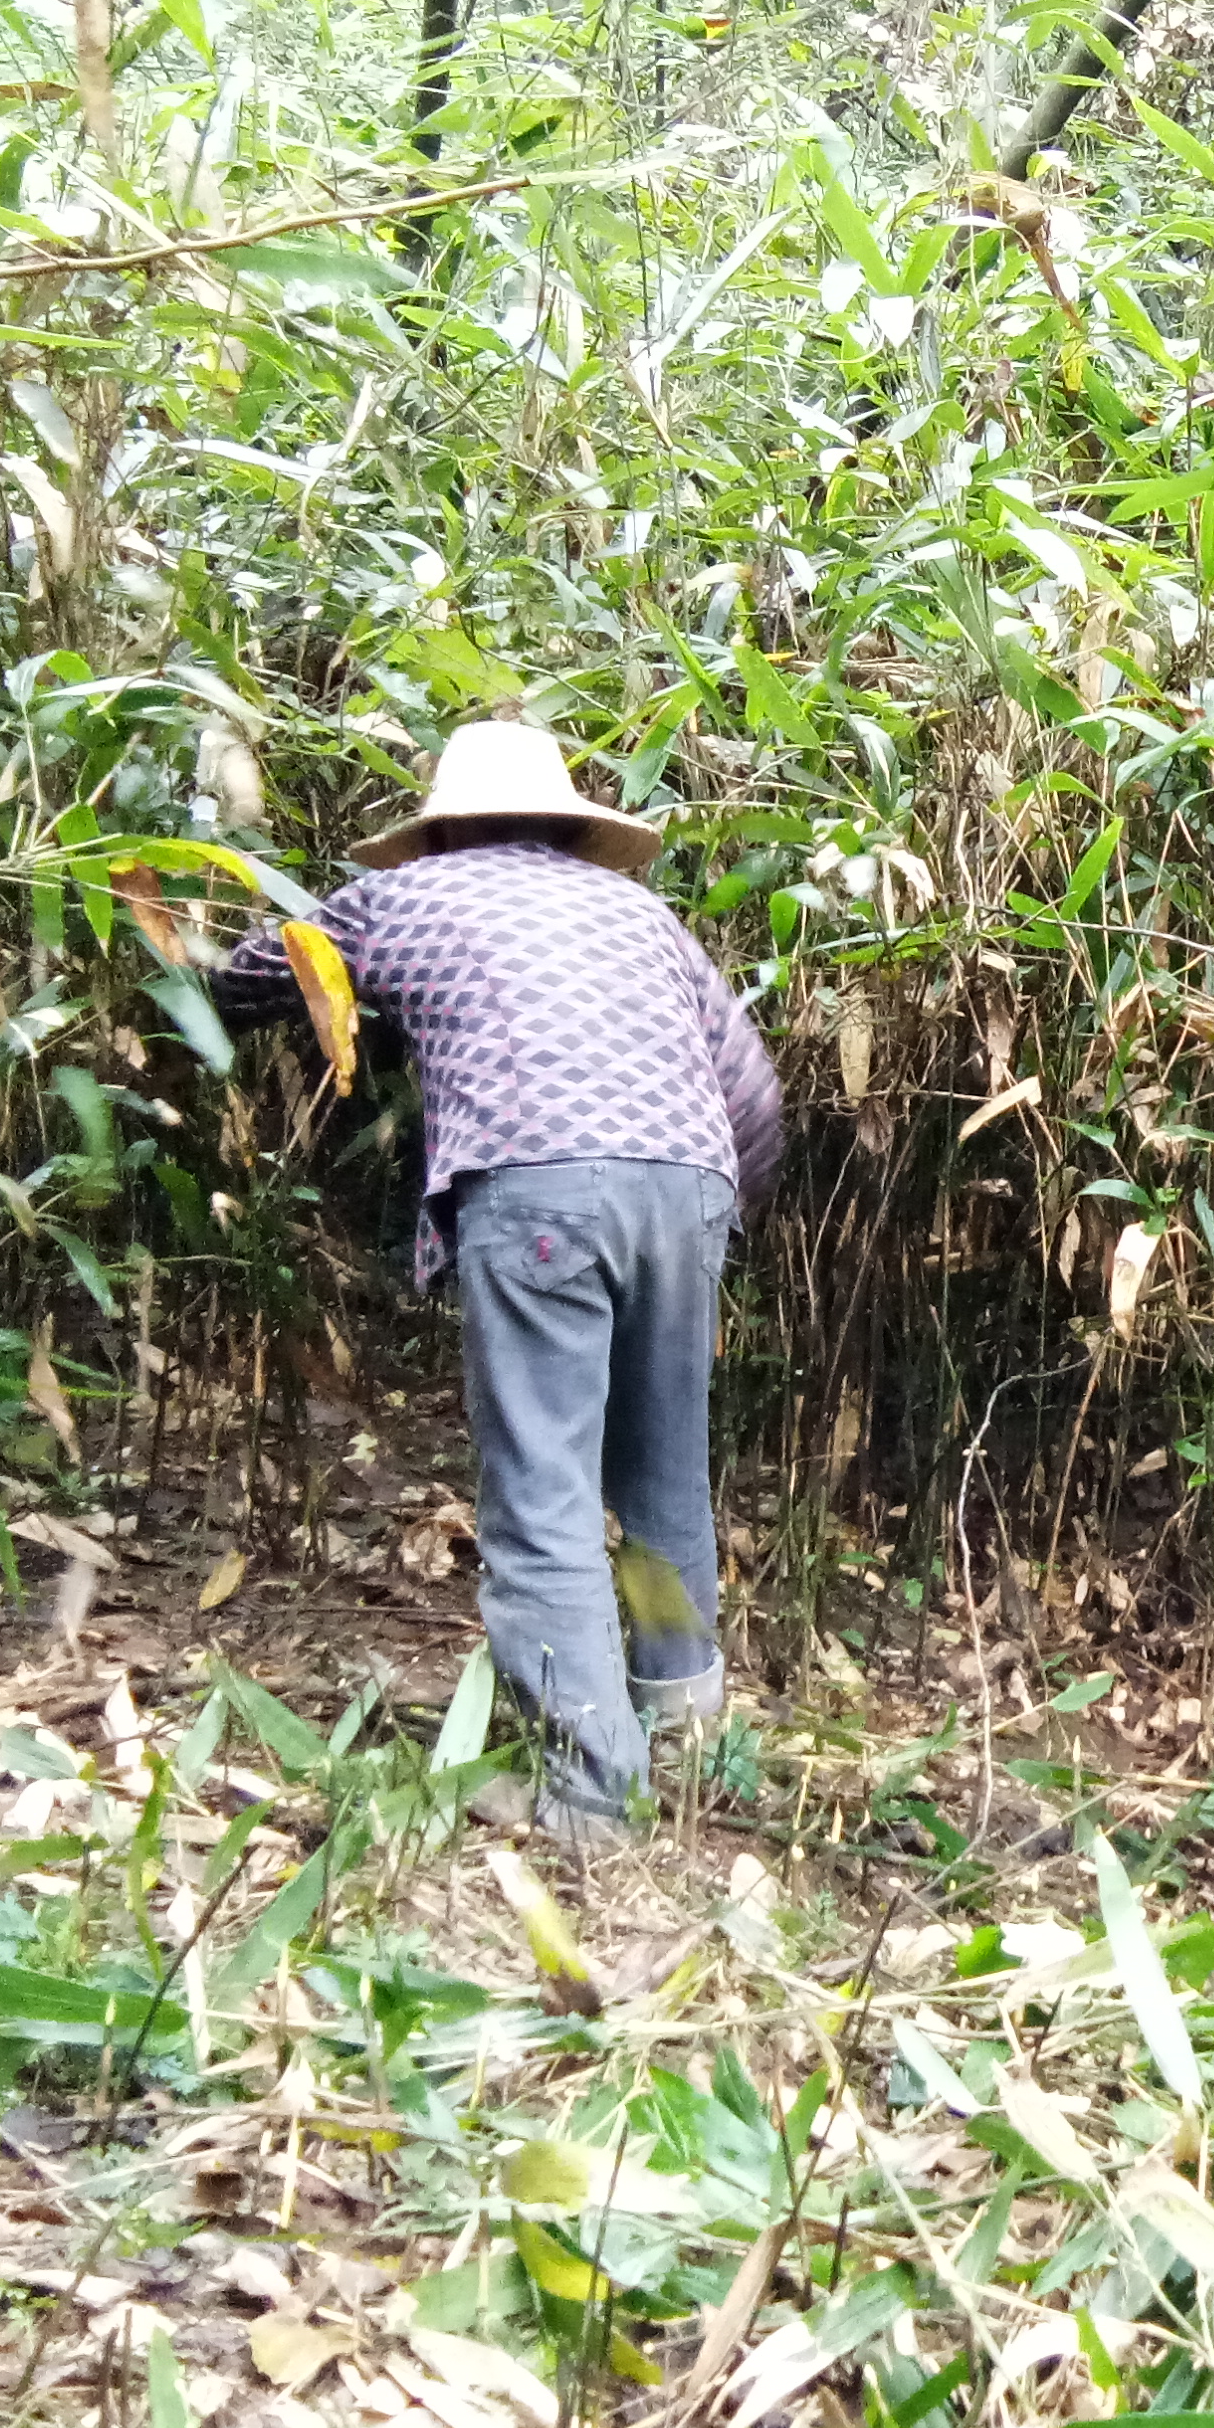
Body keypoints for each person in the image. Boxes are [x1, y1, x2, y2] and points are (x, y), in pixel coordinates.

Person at [216, 716, 782, 1843]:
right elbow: (753, 1095)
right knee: (664, 1476)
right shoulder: (642, 913)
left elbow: (242, 981)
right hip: (691, 1182)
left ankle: (592, 1800)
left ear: (440, 825)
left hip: (535, 1189)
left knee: (543, 1499)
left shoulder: (399, 900)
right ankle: (691, 1742)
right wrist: (708, 1222)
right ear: (569, 822)